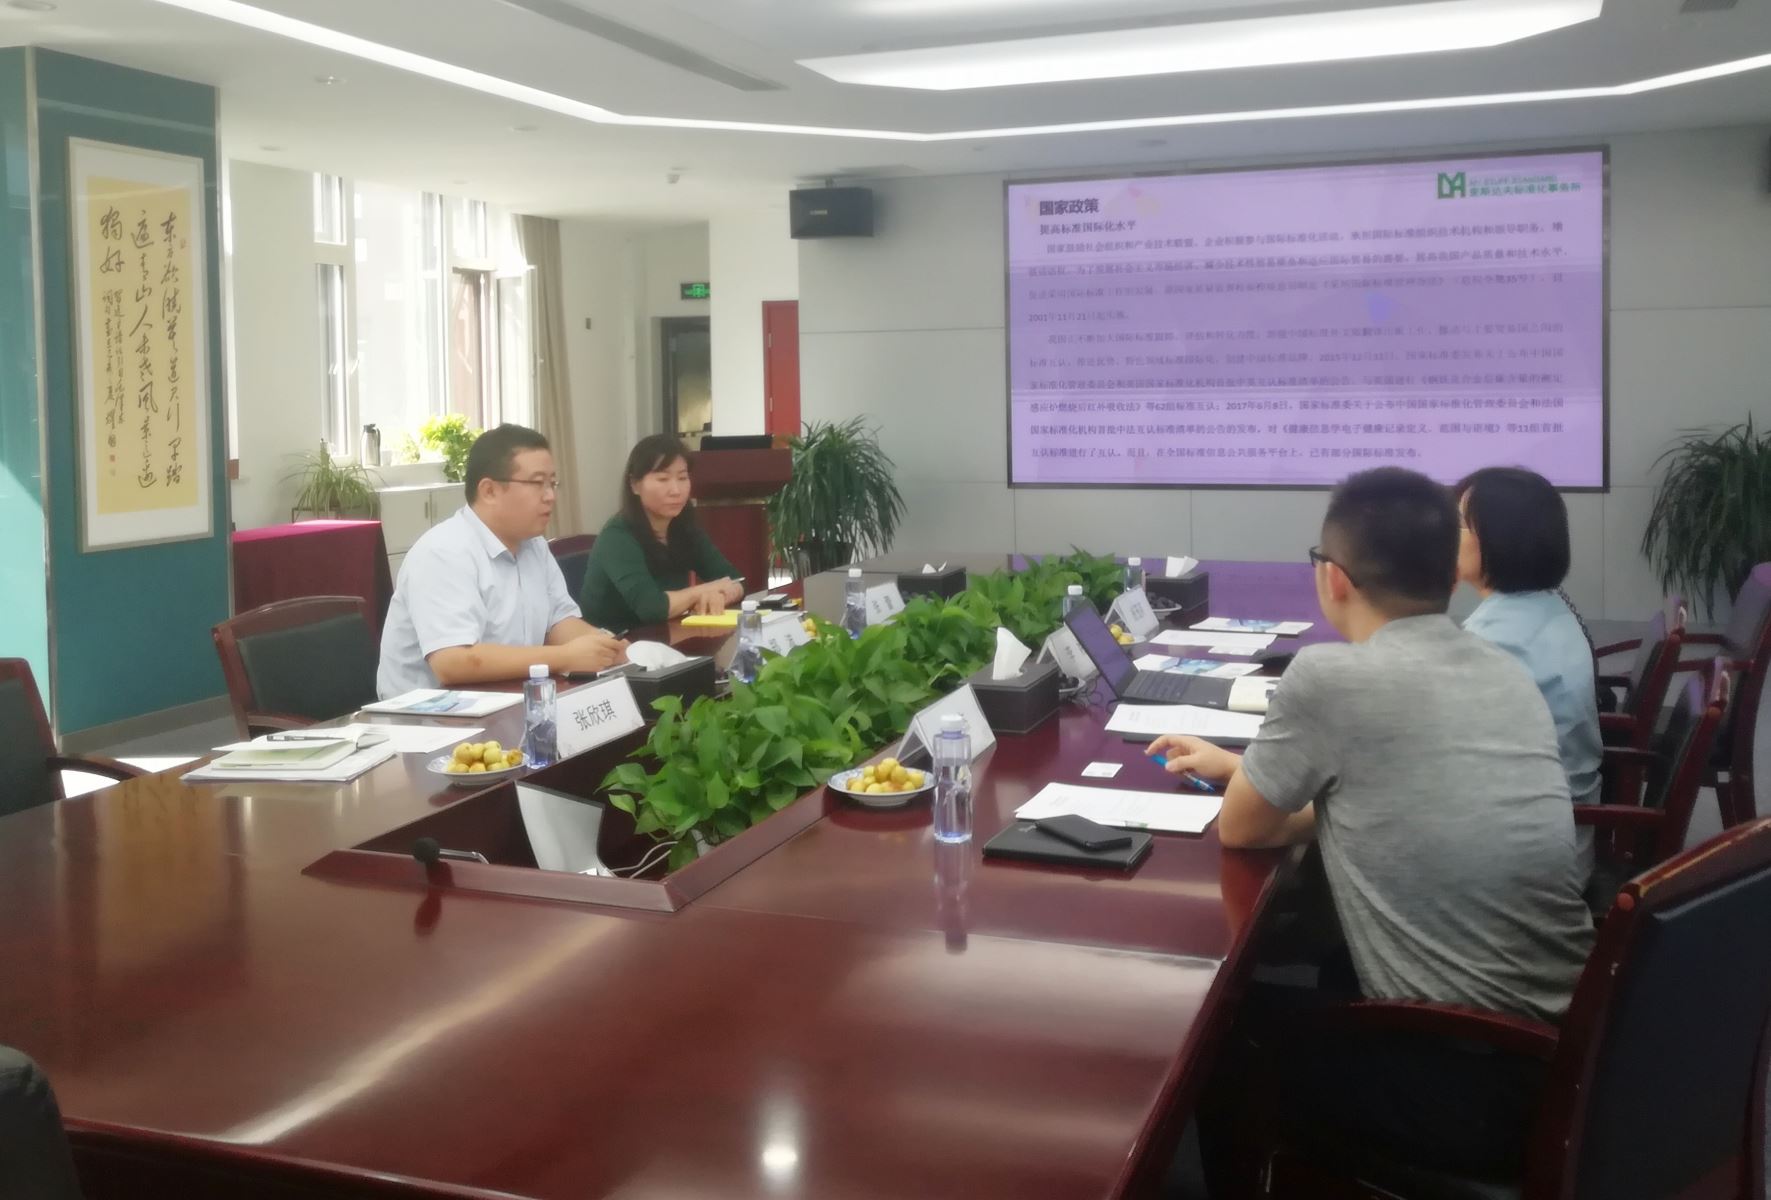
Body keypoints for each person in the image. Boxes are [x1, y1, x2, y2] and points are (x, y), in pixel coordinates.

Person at [1150, 467, 1594, 1187]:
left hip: (1471, 1082)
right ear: (1448, 575)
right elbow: (1395, 794)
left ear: (1332, 578)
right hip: (1570, 1048)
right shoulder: (1500, 668)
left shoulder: (1329, 678)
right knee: (1317, 961)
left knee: (1222, 1025)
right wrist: (1260, 773)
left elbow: (1242, 831)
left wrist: (1263, 784)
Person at [376, 424, 627, 698]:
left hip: (507, 698)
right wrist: (565, 657)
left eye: (552, 483)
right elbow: (453, 661)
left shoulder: (533, 545)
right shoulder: (443, 552)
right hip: (428, 715)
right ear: (489, 491)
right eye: (537, 483)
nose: (550, 496)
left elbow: (558, 623)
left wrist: (606, 647)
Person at [1455, 467, 1603, 823]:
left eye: (1459, 524)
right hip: (1558, 810)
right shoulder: (1544, 602)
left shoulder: (1496, 640)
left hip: (1531, 831)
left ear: (1500, 539)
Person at [577, 435, 746, 630]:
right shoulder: (616, 537)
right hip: (615, 641)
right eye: (663, 479)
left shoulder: (684, 527)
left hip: (668, 635)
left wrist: (721, 595)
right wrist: (704, 590)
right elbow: (651, 608)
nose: (676, 490)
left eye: (682, 478)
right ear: (634, 484)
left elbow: (736, 580)